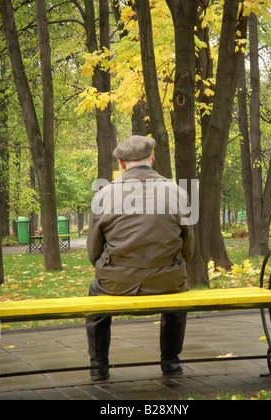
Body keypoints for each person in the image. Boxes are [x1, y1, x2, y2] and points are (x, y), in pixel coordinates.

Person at [86, 135, 195, 381]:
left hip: (116, 281)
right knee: (179, 293)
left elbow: (93, 251)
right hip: (167, 279)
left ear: (122, 164)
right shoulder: (177, 192)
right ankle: (170, 362)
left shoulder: (103, 195)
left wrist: (108, 267)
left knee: (95, 300)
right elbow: (188, 246)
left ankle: (98, 366)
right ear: (152, 160)